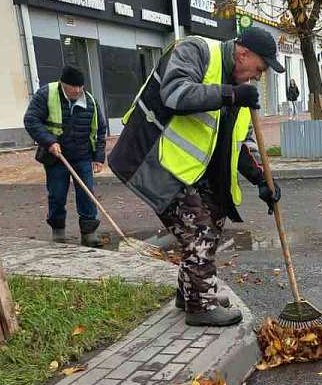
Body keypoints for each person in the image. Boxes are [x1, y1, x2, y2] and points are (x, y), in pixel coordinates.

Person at [108, 27, 284, 327]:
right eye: (258, 69)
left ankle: (190, 292)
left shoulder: (240, 89)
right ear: (243, 54)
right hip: (153, 160)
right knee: (198, 230)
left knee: (214, 220)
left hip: (186, 169)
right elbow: (175, 94)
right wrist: (230, 95)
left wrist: (261, 181)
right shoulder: (197, 51)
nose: (257, 77)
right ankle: (199, 307)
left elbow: (236, 145)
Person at [24, 66, 107, 247]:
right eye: (72, 87)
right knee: (57, 195)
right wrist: (49, 141)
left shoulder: (91, 102)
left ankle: (89, 234)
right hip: (56, 157)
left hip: (82, 156)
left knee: (87, 194)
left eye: (80, 87)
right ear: (63, 84)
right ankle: (58, 233)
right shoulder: (46, 94)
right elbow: (31, 120)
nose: (77, 90)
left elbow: (100, 130)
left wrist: (99, 158)